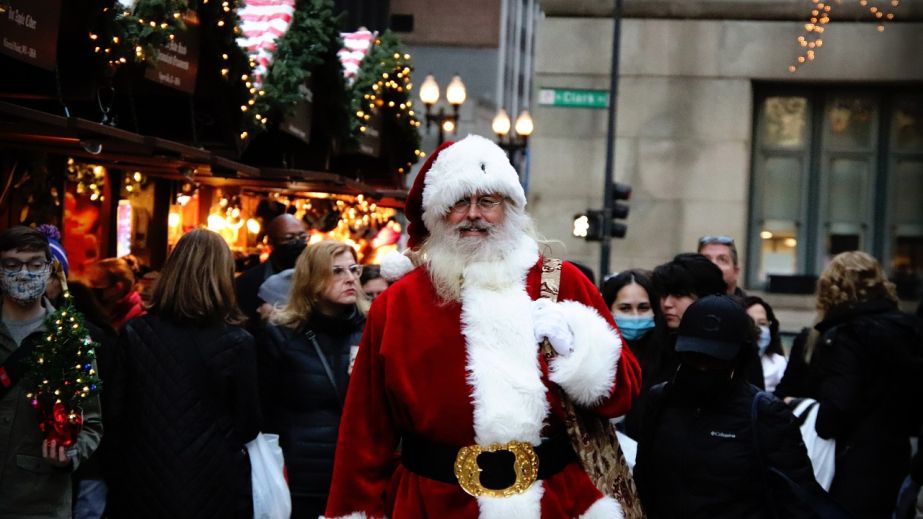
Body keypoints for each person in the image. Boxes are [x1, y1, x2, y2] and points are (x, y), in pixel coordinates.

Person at [323, 135, 641, 519]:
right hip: (433, 505)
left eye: (488, 201)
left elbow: (623, 394)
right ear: (437, 215)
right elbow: (365, 432)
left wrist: (578, 353)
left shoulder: (563, 282)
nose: (474, 214)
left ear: (511, 209)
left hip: (554, 503)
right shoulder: (396, 305)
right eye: (458, 202)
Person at [106, 229, 261, 518]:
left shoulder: (135, 332)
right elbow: (247, 424)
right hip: (213, 483)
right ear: (223, 276)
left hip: (142, 479)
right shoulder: (238, 343)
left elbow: (115, 413)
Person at [634, 294, 823, 518]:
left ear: (737, 358)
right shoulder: (661, 401)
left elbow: (798, 501)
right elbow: (644, 479)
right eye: (693, 358)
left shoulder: (764, 413)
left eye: (714, 360)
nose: (702, 368)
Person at [259, 240, 368, 518]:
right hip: (302, 476)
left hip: (358, 473)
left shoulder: (371, 331)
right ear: (312, 279)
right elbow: (266, 411)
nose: (349, 278)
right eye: (337, 271)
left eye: (354, 269)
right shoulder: (282, 335)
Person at [0, 226, 103, 519]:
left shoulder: (69, 337)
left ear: (49, 270)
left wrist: (70, 453)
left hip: (39, 501)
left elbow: (92, 422)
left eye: (34, 265)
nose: (24, 274)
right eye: (12, 264)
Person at [811, 251, 923, 517]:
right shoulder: (910, 329)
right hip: (899, 456)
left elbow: (835, 412)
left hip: (852, 466)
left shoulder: (847, 335)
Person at [601, 269, 665, 439]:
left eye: (643, 308)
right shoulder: (597, 357)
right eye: (625, 308)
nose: (635, 316)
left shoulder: (669, 356)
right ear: (609, 309)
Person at [235, 214, 307, 330]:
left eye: (302, 237)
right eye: (289, 238)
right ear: (271, 243)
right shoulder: (249, 282)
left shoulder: (318, 277)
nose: (298, 242)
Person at [85, 257, 145, 331]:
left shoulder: (137, 321)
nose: (90, 288)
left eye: (96, 284)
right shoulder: (110, 310)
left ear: (116, 288)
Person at [744, 296, 788, 393]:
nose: (757, 329)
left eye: (762, 323)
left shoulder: (779, 363)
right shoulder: (730, 364)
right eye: (750, 323)